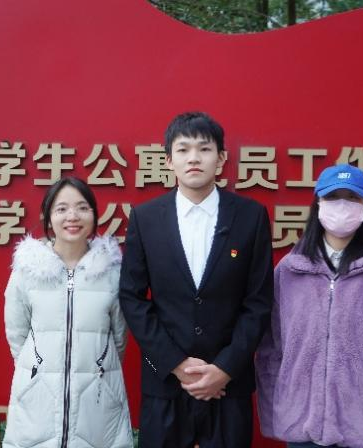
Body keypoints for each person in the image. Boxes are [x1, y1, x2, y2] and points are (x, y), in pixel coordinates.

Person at [119, 111, 274, 448]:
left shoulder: (250, 216)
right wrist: (175, 363)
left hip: (228, 385)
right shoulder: (146, 218)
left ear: (221, 159)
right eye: (183, 149)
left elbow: (259, 302)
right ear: (168, 160)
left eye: (204, 149)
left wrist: (225, 368)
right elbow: (132, 297)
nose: (193, 158)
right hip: (165, 383)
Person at [255, 164, 363, 448]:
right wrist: (279, 413)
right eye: (333, 197)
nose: (342, 205)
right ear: (318, 204)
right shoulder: (289, 270)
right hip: (302, 429)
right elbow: (271, 350)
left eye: (352, 198)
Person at [2, 177, 133, 448]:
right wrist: (39, 372)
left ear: (94, 216)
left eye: (82, 208)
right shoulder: (28, 271)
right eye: (62, 209)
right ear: (49, 218)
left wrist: (97, 369)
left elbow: (119, 337)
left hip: (98, 399)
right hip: (38, 397)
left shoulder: (112, 272)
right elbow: (17, 335)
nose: (72, 216)